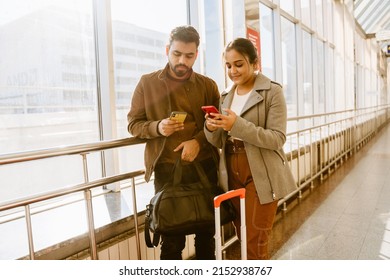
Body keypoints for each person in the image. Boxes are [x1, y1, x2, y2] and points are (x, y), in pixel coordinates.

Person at [127, 25, 220, 260]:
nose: (182, 61)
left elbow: (216, 124)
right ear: (167, 50)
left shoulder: (208, 85)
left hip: (204, 166)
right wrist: (157, 127)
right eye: (177, 54)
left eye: (189, 56)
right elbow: (133, 124)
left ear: (196, 54)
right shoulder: (147, 83)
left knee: (206, 234)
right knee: (171, 240)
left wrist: (198, 142)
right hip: (166, 169)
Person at [204, 37, 297, 260]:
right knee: (242, 235)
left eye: (239, 64)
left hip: (261, 170)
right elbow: (218, 141)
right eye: (228, 65)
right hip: (231, 168)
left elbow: (277, 138)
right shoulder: (226, 96)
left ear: (255, 63)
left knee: (256, 238)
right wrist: (211, 127)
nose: (233, 70)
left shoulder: (272, 92)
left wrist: (237, 125)